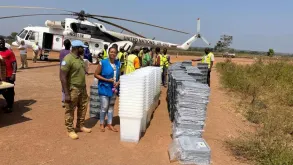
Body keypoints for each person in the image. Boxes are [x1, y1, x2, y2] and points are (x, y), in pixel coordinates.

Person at [60, 40, 91, 140]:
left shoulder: (80, 58)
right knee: (70, 109)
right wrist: (66, 93)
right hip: (72, 89)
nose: (84, 49)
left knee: (83, 107)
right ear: (77, 48)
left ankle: (80, 126)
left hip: (82, 88)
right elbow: (63, 77)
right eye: (82, 48)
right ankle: (70, 129)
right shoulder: (68, 59)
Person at [94, 46, 120, 132]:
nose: (113, 53)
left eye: (114, 52)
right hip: (104, 87)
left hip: (113, 89)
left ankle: (109, 123)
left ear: (116, 54)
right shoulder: (103, 62)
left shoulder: (118, 63)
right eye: (111, 52)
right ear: (108, 53)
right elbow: (96, 74)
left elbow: (120, 75)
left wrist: (118, 82)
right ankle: (102, 123)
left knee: (111, 107)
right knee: (104, 107)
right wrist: (107, 80)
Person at [0, 37, 17, 113]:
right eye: (0, 43)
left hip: (9, 75)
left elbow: (14, 63)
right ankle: (9, 103)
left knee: (9, 91)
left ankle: (10, 106)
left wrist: (13, 74)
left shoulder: (9, 52)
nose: (2, 44)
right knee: (3, 91)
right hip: (1, 77)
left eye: (3, 42)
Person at [59, 39, 71, 108]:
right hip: (68, 71)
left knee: (63, 84)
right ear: (70, 45)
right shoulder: (70, 53)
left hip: (61, 70)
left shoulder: (61, 52)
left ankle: (63, 100)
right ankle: (67, 100)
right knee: (68, 85)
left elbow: (60, 60)